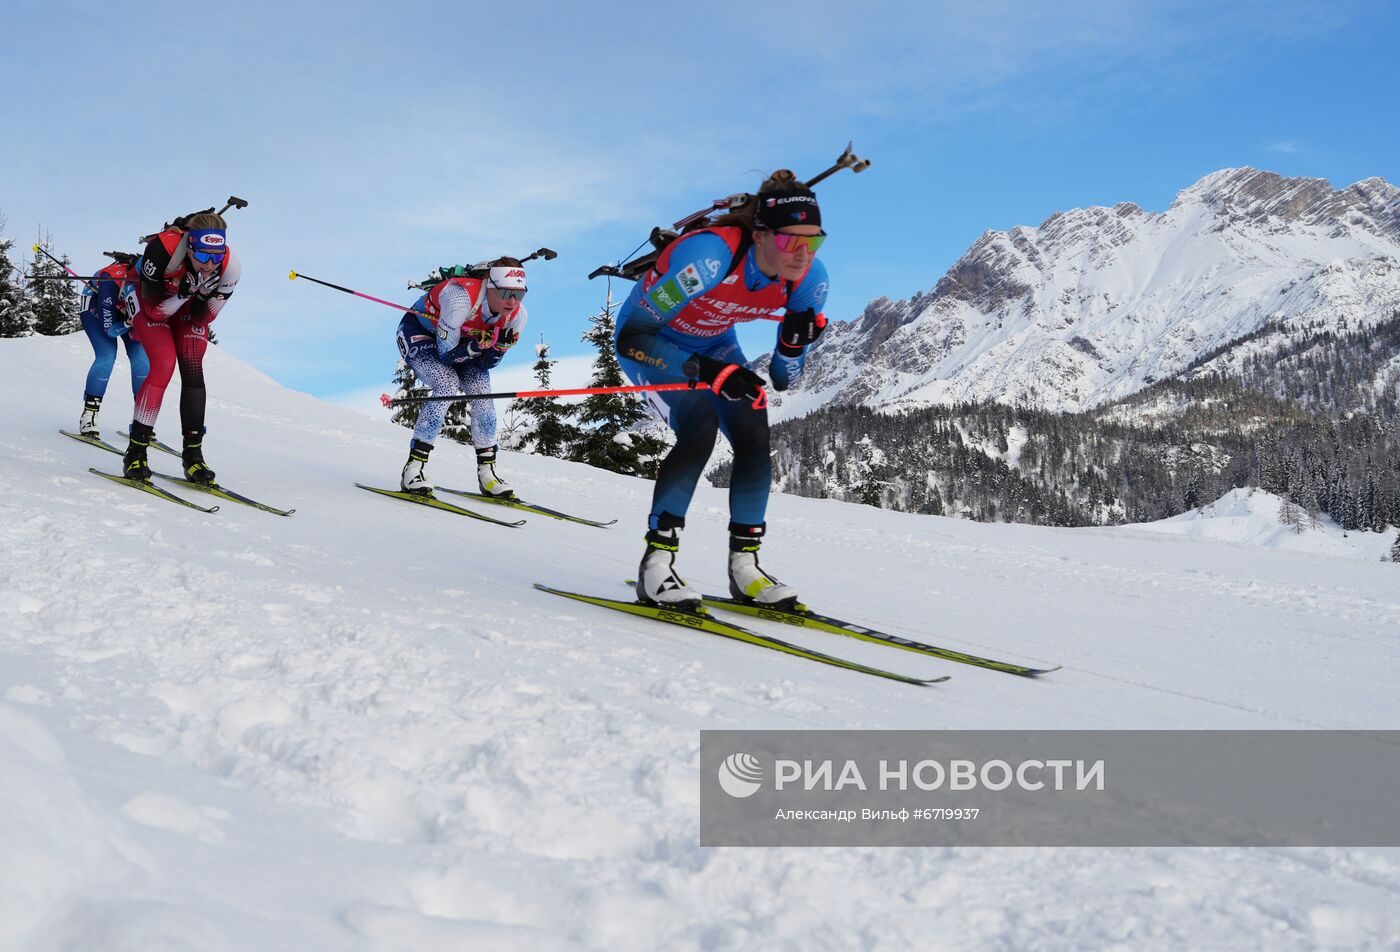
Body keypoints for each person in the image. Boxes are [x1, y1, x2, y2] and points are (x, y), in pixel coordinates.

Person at [615, 170, 829, 609]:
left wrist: (792, 344)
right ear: (762, 235)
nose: (803, 254)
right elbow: (634, 337)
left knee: (754, 428)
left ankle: (745, 570)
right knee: (700, 425)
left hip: (716, 344)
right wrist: (706, 370)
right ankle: (656, 566)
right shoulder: (710, 259)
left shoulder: (808, 280)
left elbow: (786, 377)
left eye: (814, 241)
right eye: (792, 241)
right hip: (656, 346)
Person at [120, 212, 241, 483]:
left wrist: (201, 296)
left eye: (216, 256)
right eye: (202, 257)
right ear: (189, 248)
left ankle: (193, 457)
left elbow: (204, 318)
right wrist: (182, 295)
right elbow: (154, 313)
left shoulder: (231, 268)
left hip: (186, 304)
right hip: (149, 299)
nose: (210, 265)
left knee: (193, 368)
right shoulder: (163, 248)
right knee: (163, 364)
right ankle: (135, 452)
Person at [394, 257, 529, 498]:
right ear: (490, 285)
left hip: (464, 344)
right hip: (421, 332)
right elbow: (446, 356)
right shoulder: (459, 298)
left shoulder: (517, 316)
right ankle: (413, 469)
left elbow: (488, 364)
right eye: (507, 292)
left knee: (483, 393)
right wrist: (477, 347)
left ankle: (488, 474)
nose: (512, 301)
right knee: (446, 384)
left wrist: (498, 348)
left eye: (519, 295)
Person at [77, 256, 149, 436]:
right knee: (107, 355)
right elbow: (109, 329)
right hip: (96, 306)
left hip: (125, 311)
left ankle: (140, 422)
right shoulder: (111, 281)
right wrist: (128, 323)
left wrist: (134, 323)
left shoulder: (156, 286)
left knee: (141, 358)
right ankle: (89, 414)